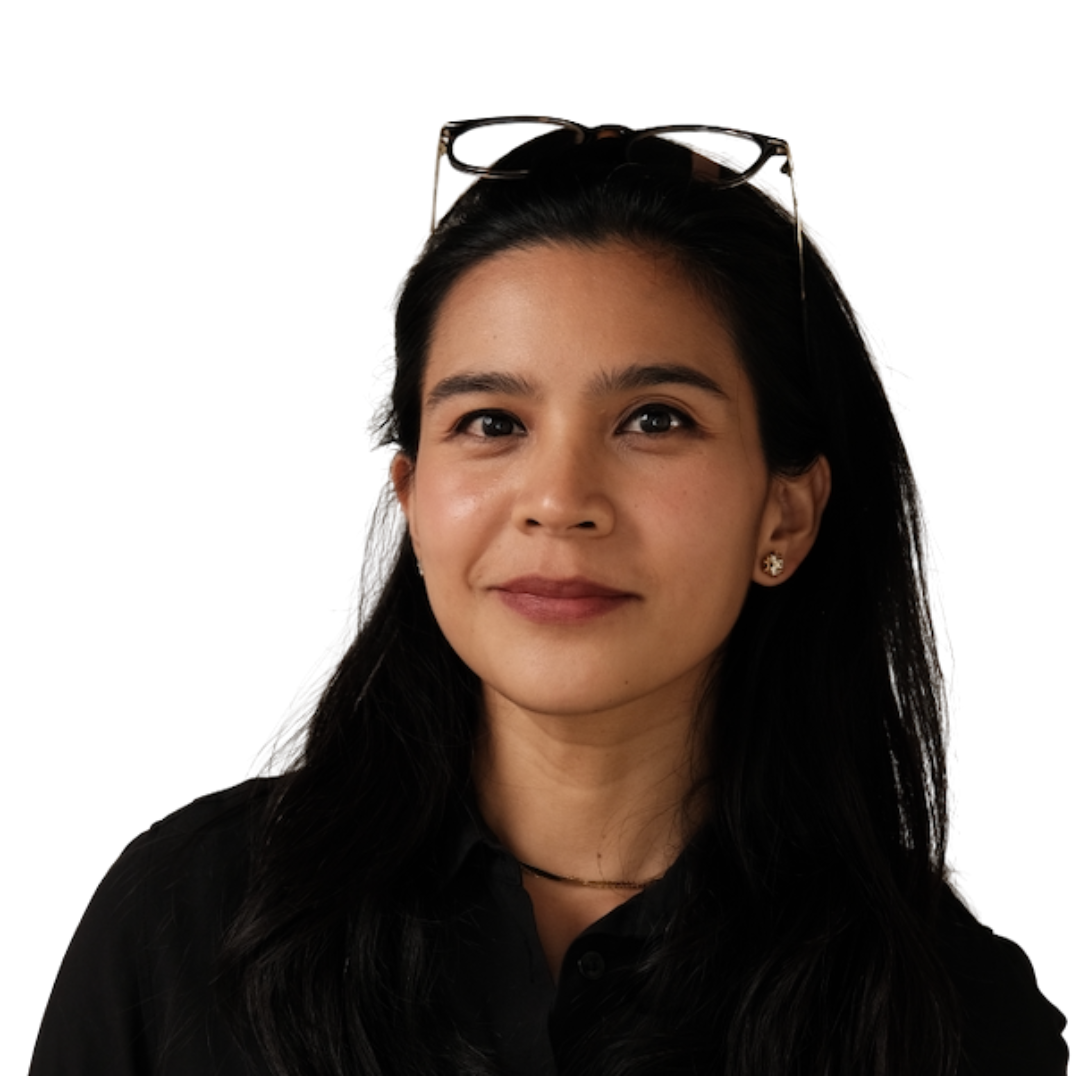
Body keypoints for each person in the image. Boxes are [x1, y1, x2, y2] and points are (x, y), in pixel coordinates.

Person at [31, 117, 1068, 1077]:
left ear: (783, 518)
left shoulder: (945, 1010)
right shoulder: (185, 921)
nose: (561, 501)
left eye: (656, 420)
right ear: (413, 501)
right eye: (491, 421)